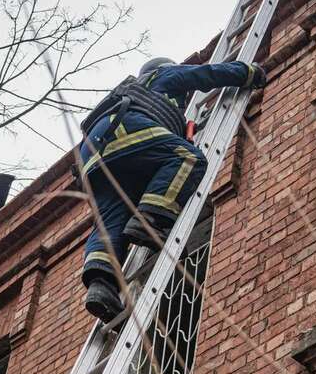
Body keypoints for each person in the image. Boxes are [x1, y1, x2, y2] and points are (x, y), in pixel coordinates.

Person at [79, 57, 266, 323]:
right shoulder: (162, 76)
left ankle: (101, 286)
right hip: (124, 132)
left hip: (93, 159)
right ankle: (150, 221)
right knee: (188, 158)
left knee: (111, 218)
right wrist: (248, 72)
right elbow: (205, 73)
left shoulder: (127, 95)